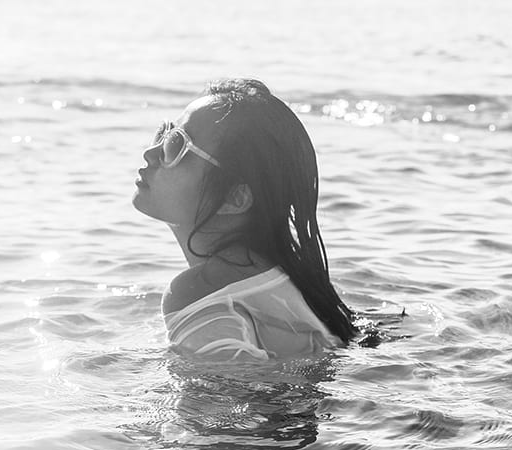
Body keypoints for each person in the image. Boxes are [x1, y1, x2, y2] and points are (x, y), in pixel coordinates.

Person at [133, 78, 356, 360]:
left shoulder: (199, 291)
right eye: (164, 135)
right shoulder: (279, 277)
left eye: (176, 145)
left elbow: (228, 395)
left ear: (234, 199)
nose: (150, 153)